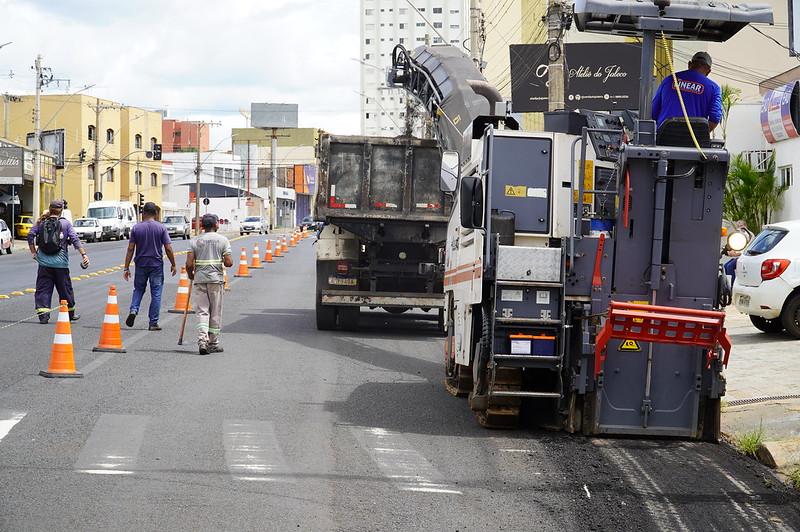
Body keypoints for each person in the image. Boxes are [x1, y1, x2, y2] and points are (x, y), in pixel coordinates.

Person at [27, 200, 89, 324]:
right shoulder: (65, 223)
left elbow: (30, 235)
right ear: (61, 211)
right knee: (65, 289)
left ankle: (43, 316)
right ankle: (69, 314)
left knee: (43, 289)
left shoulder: (41, 222)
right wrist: (84, 255)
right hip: (61, 264)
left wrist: (33, 252)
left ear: (49, 209)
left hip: (44, 264)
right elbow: (75, 239)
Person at [123, 202, 177, 330]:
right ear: (155, 213)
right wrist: (173, 264)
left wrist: (126, 267)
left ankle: (133, 310)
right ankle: (153, 322)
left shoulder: (136, 228)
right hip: (156, 265)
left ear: (144, 213)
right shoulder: (161, 228)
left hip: (140, 264)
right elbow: (168, 248)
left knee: (138, 289)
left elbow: (130, 249)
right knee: (156, 293)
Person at [185, 214, 233, 355]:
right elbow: (229, 262)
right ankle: (213, 342)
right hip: (215, 280)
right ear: (216, 225)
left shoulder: (195, 241)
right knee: (215, 312)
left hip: (200, 279)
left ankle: (202, 341)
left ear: (202, 226)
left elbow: (188, 264)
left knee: (202, 311)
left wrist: (191, 275)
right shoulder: (223, 240)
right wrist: (223, 260)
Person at [651, 51, 723, 131]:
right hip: (692, 141)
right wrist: (700, 135)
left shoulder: (669, 80)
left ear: (689, 64)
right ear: (708, 71)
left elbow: (653, 111)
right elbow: (715, 118)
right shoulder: (714, 88)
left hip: (664, 138)